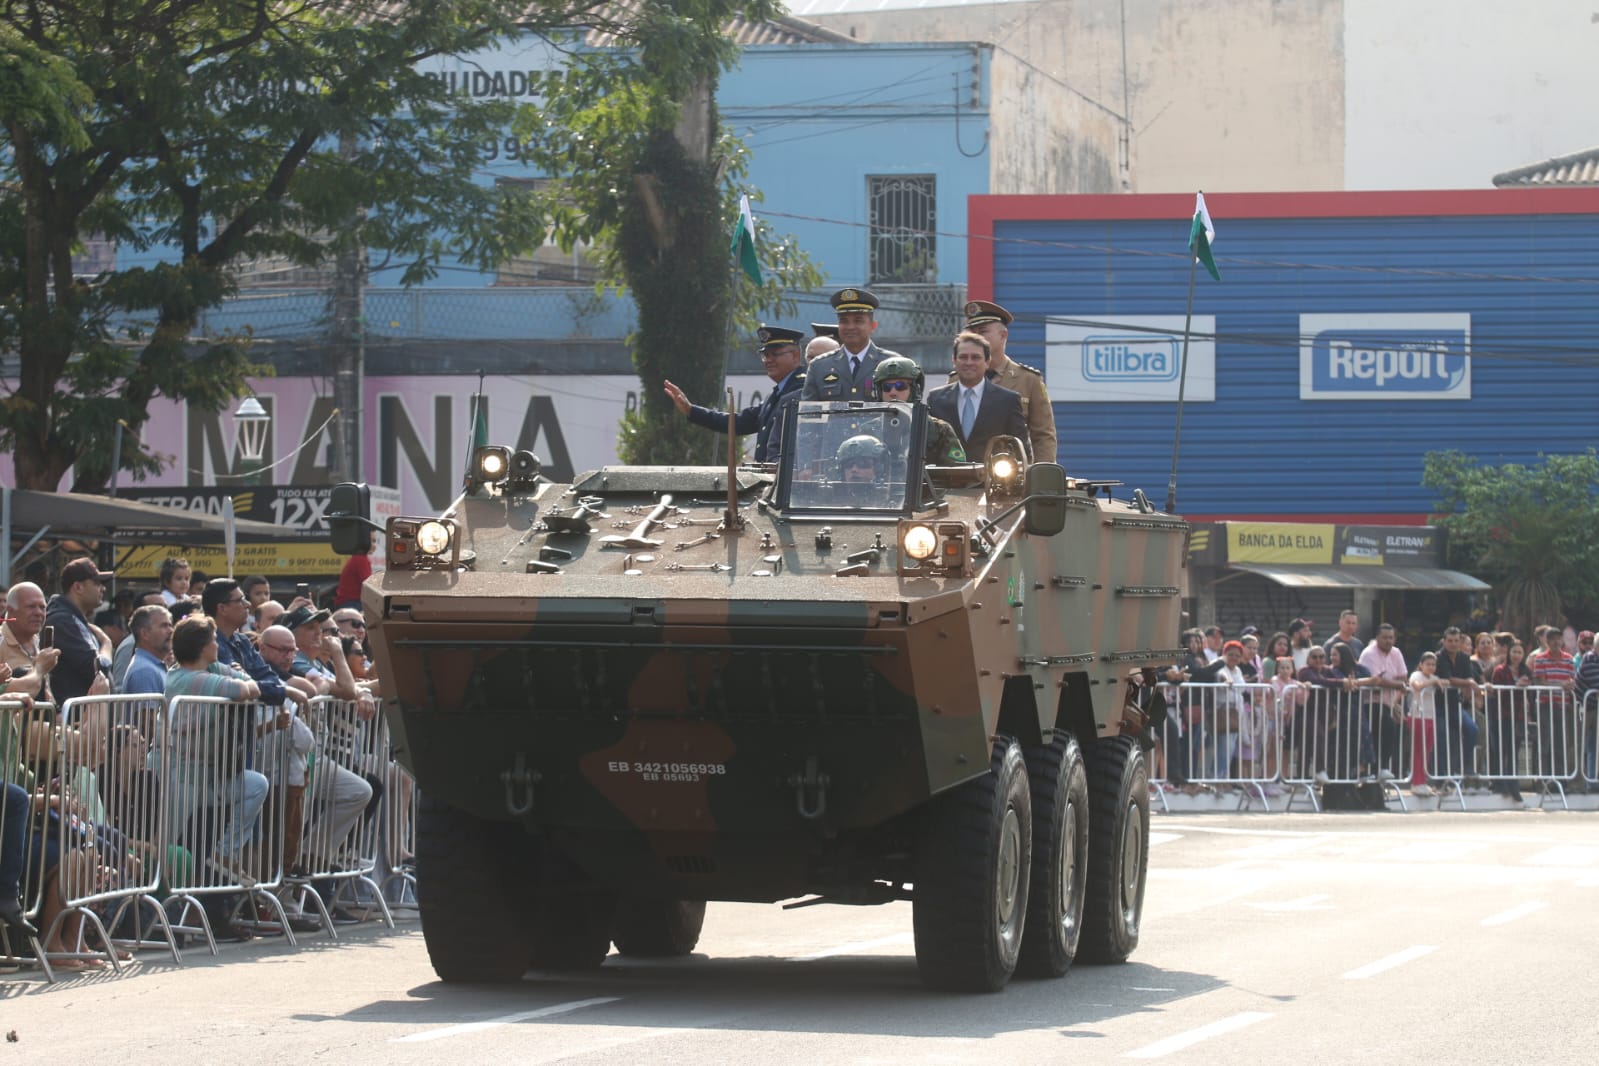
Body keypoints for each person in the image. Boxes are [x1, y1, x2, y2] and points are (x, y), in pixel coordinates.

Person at [163, 615, 268, 891]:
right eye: (211, 640)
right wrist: (237, 675)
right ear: (201, 647)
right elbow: (248, 688)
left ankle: (225, 853)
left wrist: (236, 674)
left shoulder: (208, 671)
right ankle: (163, 910)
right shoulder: (192, 679)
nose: (217, 645)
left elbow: (248, 682)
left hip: (208, 776)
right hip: (180, 776)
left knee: (255, 784)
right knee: (170, 849)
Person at [663, 325, 806, 463]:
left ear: (795, 356)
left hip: (791, 481)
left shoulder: (803, 390)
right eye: (765, 355)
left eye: (775, 354)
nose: (768, 360)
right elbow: (738, 423)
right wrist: (691, 410)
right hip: (772, 479)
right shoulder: (776, 395)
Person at [955, 300, 1057, 463]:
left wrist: (1041, 475)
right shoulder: (956, 379)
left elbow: (1043, 435)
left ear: (1003, 335)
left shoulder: (1028, 380)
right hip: (965, 473)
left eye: (982, 332)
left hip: (1011, 474)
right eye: (971, 333)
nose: (976, 338)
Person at [925, 331, 1028, 462]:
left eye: (975, 357)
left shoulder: (1008, 400)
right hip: (944, 480)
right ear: (954, 360)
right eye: (963, 357)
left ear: (987, 362)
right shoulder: (936, 399)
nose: (969, 362)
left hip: (992, 480)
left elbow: (1021, 450)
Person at [801, 287, 900, 401]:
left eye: (858, 321)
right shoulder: (818, 366)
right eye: (844, 321)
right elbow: (808, 414)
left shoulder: (893, 364)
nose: (850, 327)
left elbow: (904, 411)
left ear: (872, 326)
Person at [870, 355, 967, 466]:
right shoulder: (868, 430)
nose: (893, 392)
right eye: (886, 387)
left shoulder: (938, 430)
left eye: (900, 386)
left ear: (915, 390)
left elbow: (957, 472)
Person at [44, 557, 115, 704]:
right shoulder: (63, 620)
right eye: (96, 583)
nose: (103, 588)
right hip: (77, 720)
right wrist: (107, 644)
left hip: (87, 718)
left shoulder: (73, 618)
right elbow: (97, 668)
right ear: (78, 587)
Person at [1357, 623, 1408, 783]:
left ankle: (1387, 768)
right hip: (1369, 702)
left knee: (1395, 732)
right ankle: (1377, 768)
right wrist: (1396, 685)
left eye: (1391, 638)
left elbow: (1403, 678)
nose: (1388, 641)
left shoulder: (1396, 653)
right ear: (1377, 638)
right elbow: (1377, 681)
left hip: (1389, 702)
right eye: (1384, 638)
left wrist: (1395, 702)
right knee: (1384, 728)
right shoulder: (1369, 653)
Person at [1433, 626, 1482, 781]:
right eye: (1450, 641)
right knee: (1441, 737)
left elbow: (1468, 677)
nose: (1453, 644)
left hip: (1455, 704)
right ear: (1444, 641)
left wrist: (1470, 684)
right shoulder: (1438, 657)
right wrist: (1468, 683)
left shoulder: (1464, 658)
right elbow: (1449, 679)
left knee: (1472, 729)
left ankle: (1464, 766)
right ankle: (1440, 776)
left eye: (1456, 641)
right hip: (1438, 706)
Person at [1, 582, 61, 702]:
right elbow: (7, 694)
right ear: (11, 611)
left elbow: (48, 703)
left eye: (42, 607)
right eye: (31, 606)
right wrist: (39, 669)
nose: (38, 612)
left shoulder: (38, 643)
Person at [1408, 652, 1447, 797]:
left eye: (1433, 665)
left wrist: (1438, 681)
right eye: (1428, 664)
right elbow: (1417, 686)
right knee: (1418, 750)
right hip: (1418, 715)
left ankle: (1422, 781)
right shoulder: (1416, 675)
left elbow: (1446, 682)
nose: (1431, 667)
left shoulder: (1434, 677)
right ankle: (1416, 782)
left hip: (1430, 716)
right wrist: (1433, 681)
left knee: (1427, 751)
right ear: (1421, 665)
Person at [121, 604, 174, 699]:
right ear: (145, 634)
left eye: (170, 625)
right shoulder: (145, 671)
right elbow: (147, 714)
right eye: (164, 626)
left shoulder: (151, 666)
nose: (171, 630)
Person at [335, 531, 374, 611]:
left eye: (374, 541)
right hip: (352, 603)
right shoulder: (361, 559)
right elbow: (368, 586)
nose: (374, 545)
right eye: (371, 541)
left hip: (350, 602)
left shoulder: (359, 558)